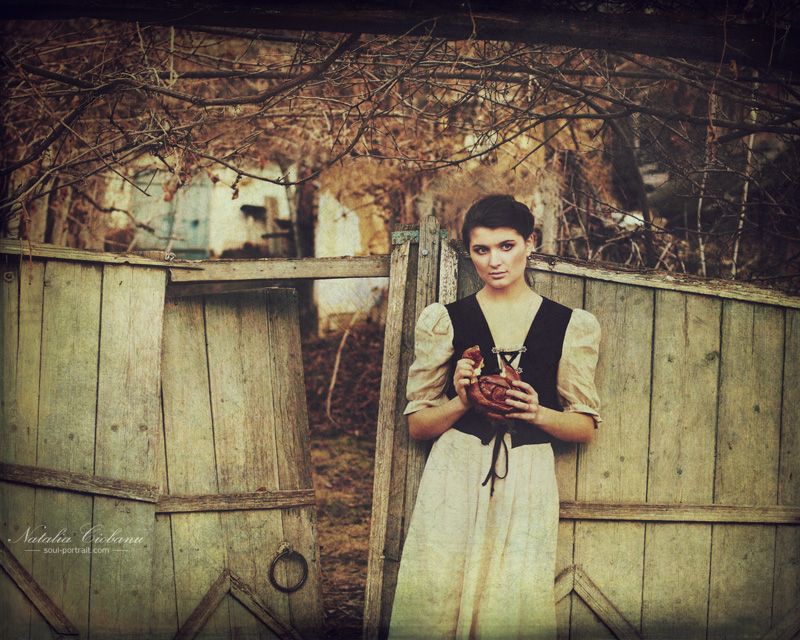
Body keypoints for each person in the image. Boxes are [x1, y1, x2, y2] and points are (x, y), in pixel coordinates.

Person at [388, 194, 602, 640]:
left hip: (527, 474)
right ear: (470, 252)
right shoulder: (445, 320)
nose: (494, 261)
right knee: (438, 596)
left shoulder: (570, 324)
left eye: (506, 246)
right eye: (481, 250)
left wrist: (537, 412)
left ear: (530, 242)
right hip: (456, 471)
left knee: (512, 603)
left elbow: (584, 426)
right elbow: (418, 426)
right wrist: (462, 400)